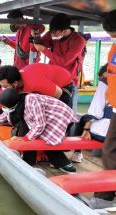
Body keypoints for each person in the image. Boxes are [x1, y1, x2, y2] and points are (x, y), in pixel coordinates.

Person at [0, 88, 77, 172]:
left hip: (59, 117)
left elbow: (40, 124)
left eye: (4, 107)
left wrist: (24, 138)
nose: (3, 109)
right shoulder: (16, 104)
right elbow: (1, 117)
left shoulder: (32, 100)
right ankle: (29, 162)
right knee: (34, 136)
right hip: (47, 118)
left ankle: (67, 167)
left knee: (45, 141)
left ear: (11, 104)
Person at [0, 63, 73, 131]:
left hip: (62, 87)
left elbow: (58, 95)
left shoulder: (34, 82)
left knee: (57, 118)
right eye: (2, 86)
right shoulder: (8, 84)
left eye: (5, 86)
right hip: (41, 86)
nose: (3, 89)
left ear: (15, 84)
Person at [34, 13, 86, 110]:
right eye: (51, 32)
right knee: (50, 108)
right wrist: (36, 39)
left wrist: (44, 50)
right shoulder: (52, 33)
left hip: (67, 81)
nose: (52, 35)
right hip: (52, 78)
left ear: (64, 31)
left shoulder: (78, 40)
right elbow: (43, 41)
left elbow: (64, 61)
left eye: (55, 33)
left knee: (64, 110)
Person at [92, 9, 116, 206]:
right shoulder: (114, 48)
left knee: (110, 149)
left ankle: (105, 196)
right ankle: (106, 194)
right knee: (110, 149)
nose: (111, 37)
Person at [71, 64, 111, 163]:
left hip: (105, 135)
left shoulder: (105, 82)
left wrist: (87, 128)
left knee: (83, 119)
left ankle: (77, 153)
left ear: (105, 74)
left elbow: (96, 109)